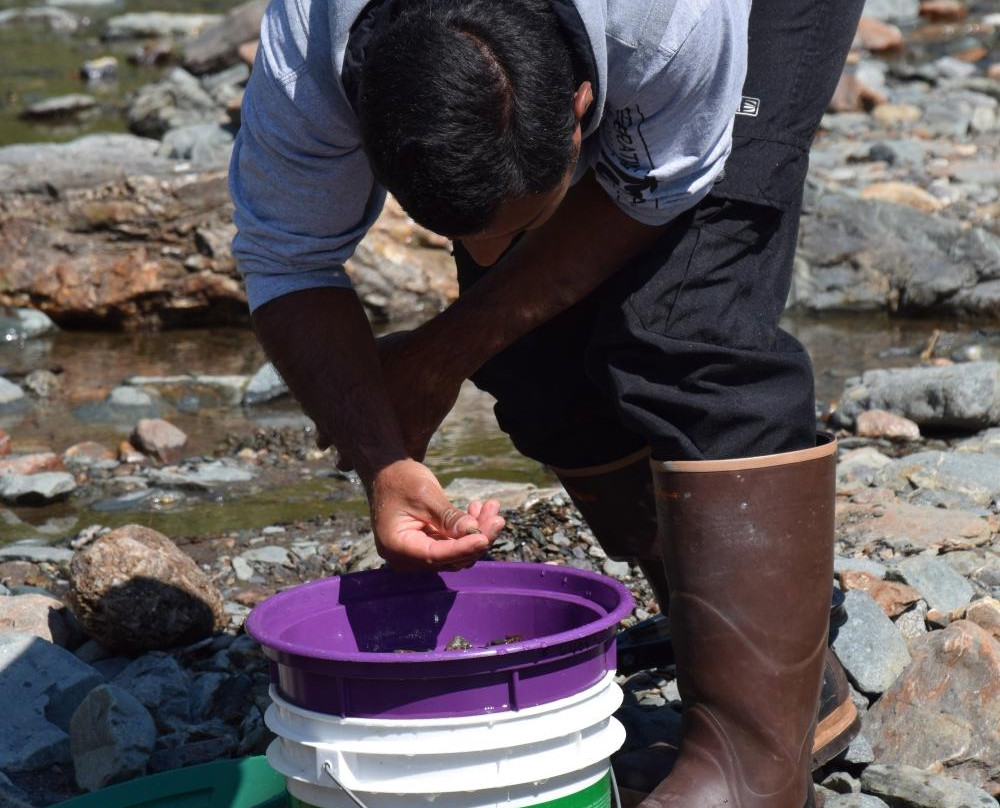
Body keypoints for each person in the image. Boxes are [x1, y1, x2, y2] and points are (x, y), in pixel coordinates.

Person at [229, 0, 865, 806]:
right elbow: (286, 256)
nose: (484, 255)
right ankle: (778, 679)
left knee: (687, 335)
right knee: (530, 353)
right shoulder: (311, 52)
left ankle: (753, 770)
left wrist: (445, 351)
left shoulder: (670, 26)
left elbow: (664, 181)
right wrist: (384, 464)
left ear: (579, 110)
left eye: (508, 226)